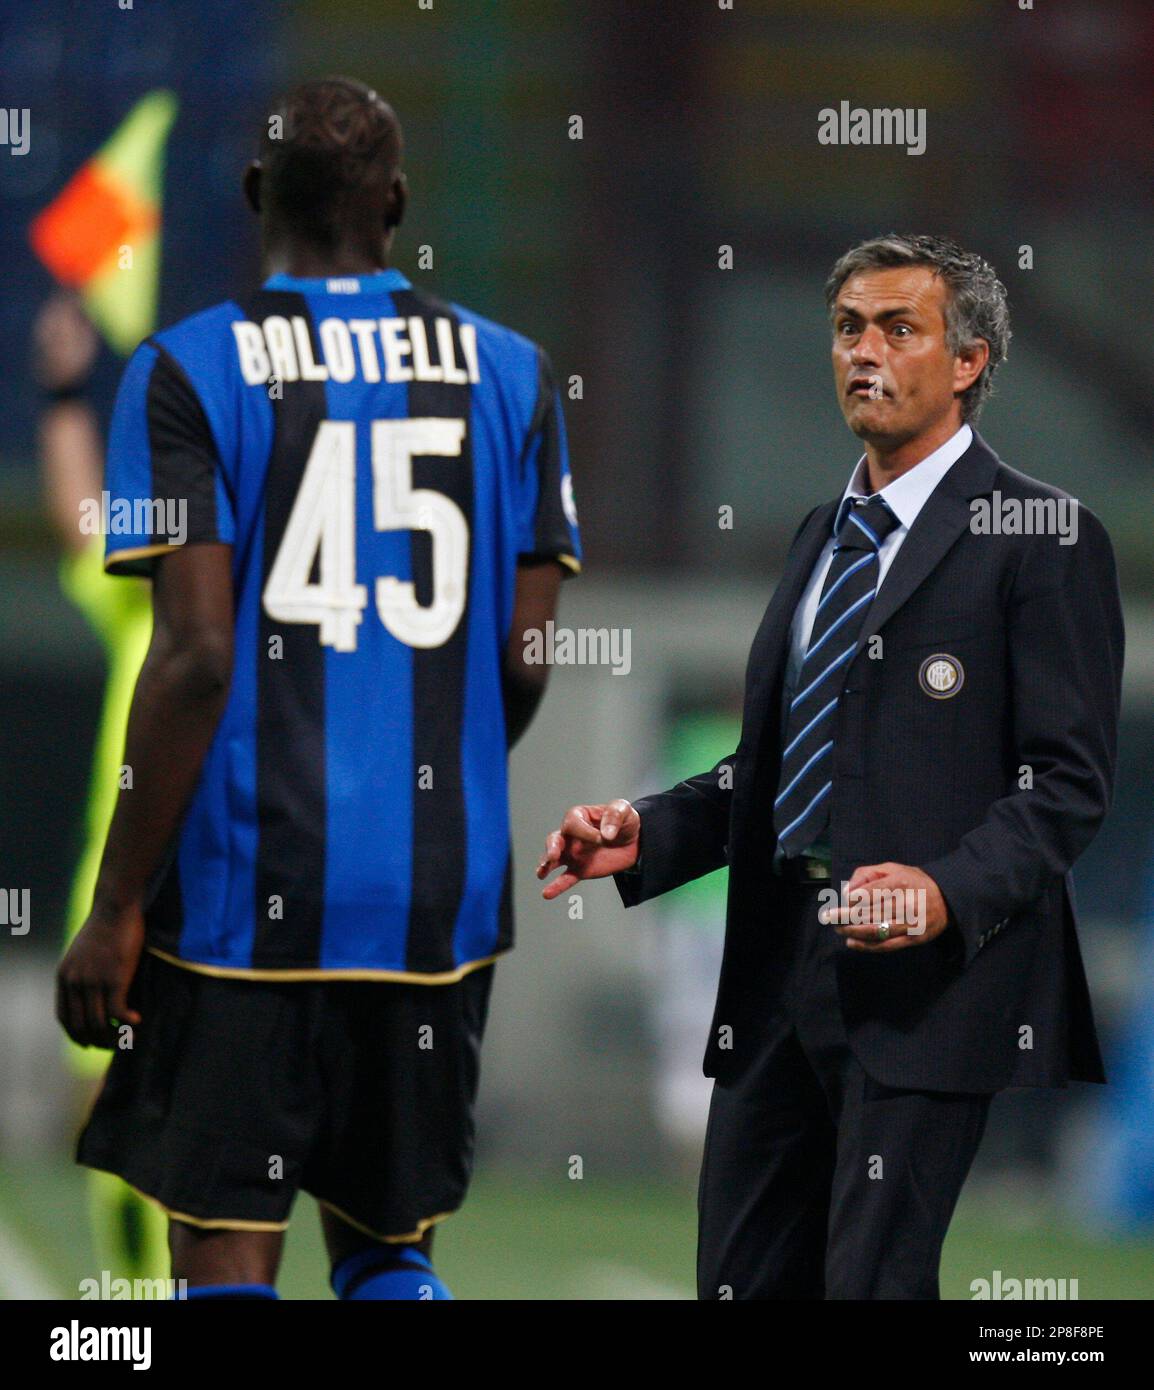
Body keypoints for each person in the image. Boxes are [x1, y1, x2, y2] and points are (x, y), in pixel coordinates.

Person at [56, 76, 580, 1301]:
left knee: (226, 1248)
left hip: (249, 894)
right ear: (395, 203)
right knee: (391, 1244)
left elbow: (191, 657)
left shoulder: (183, 370)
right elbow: (520, 656)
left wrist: (118, 901)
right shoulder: (514, 376)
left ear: (253, 196)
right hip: (431, 897)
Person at [538, 234, 1123, 1300]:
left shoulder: (1041, 534)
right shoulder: (822, 535)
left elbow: (1066, 783)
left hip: (923, 991)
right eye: (847, 327)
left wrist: (942, 889)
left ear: (968, 362)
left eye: (898, 327)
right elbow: (777, 762)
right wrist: (652, 828)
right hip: (774, 974)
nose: (863, 350)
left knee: (868, 1287)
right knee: (740, 1283)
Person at [36, 292, 168, 1284]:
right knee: (111, 1113)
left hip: (219, 903)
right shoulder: (146, 602)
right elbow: (83, 520)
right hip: (116, 892)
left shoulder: (264, 614)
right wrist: (68, 390)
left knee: (191, 1132)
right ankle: (132, 1300)